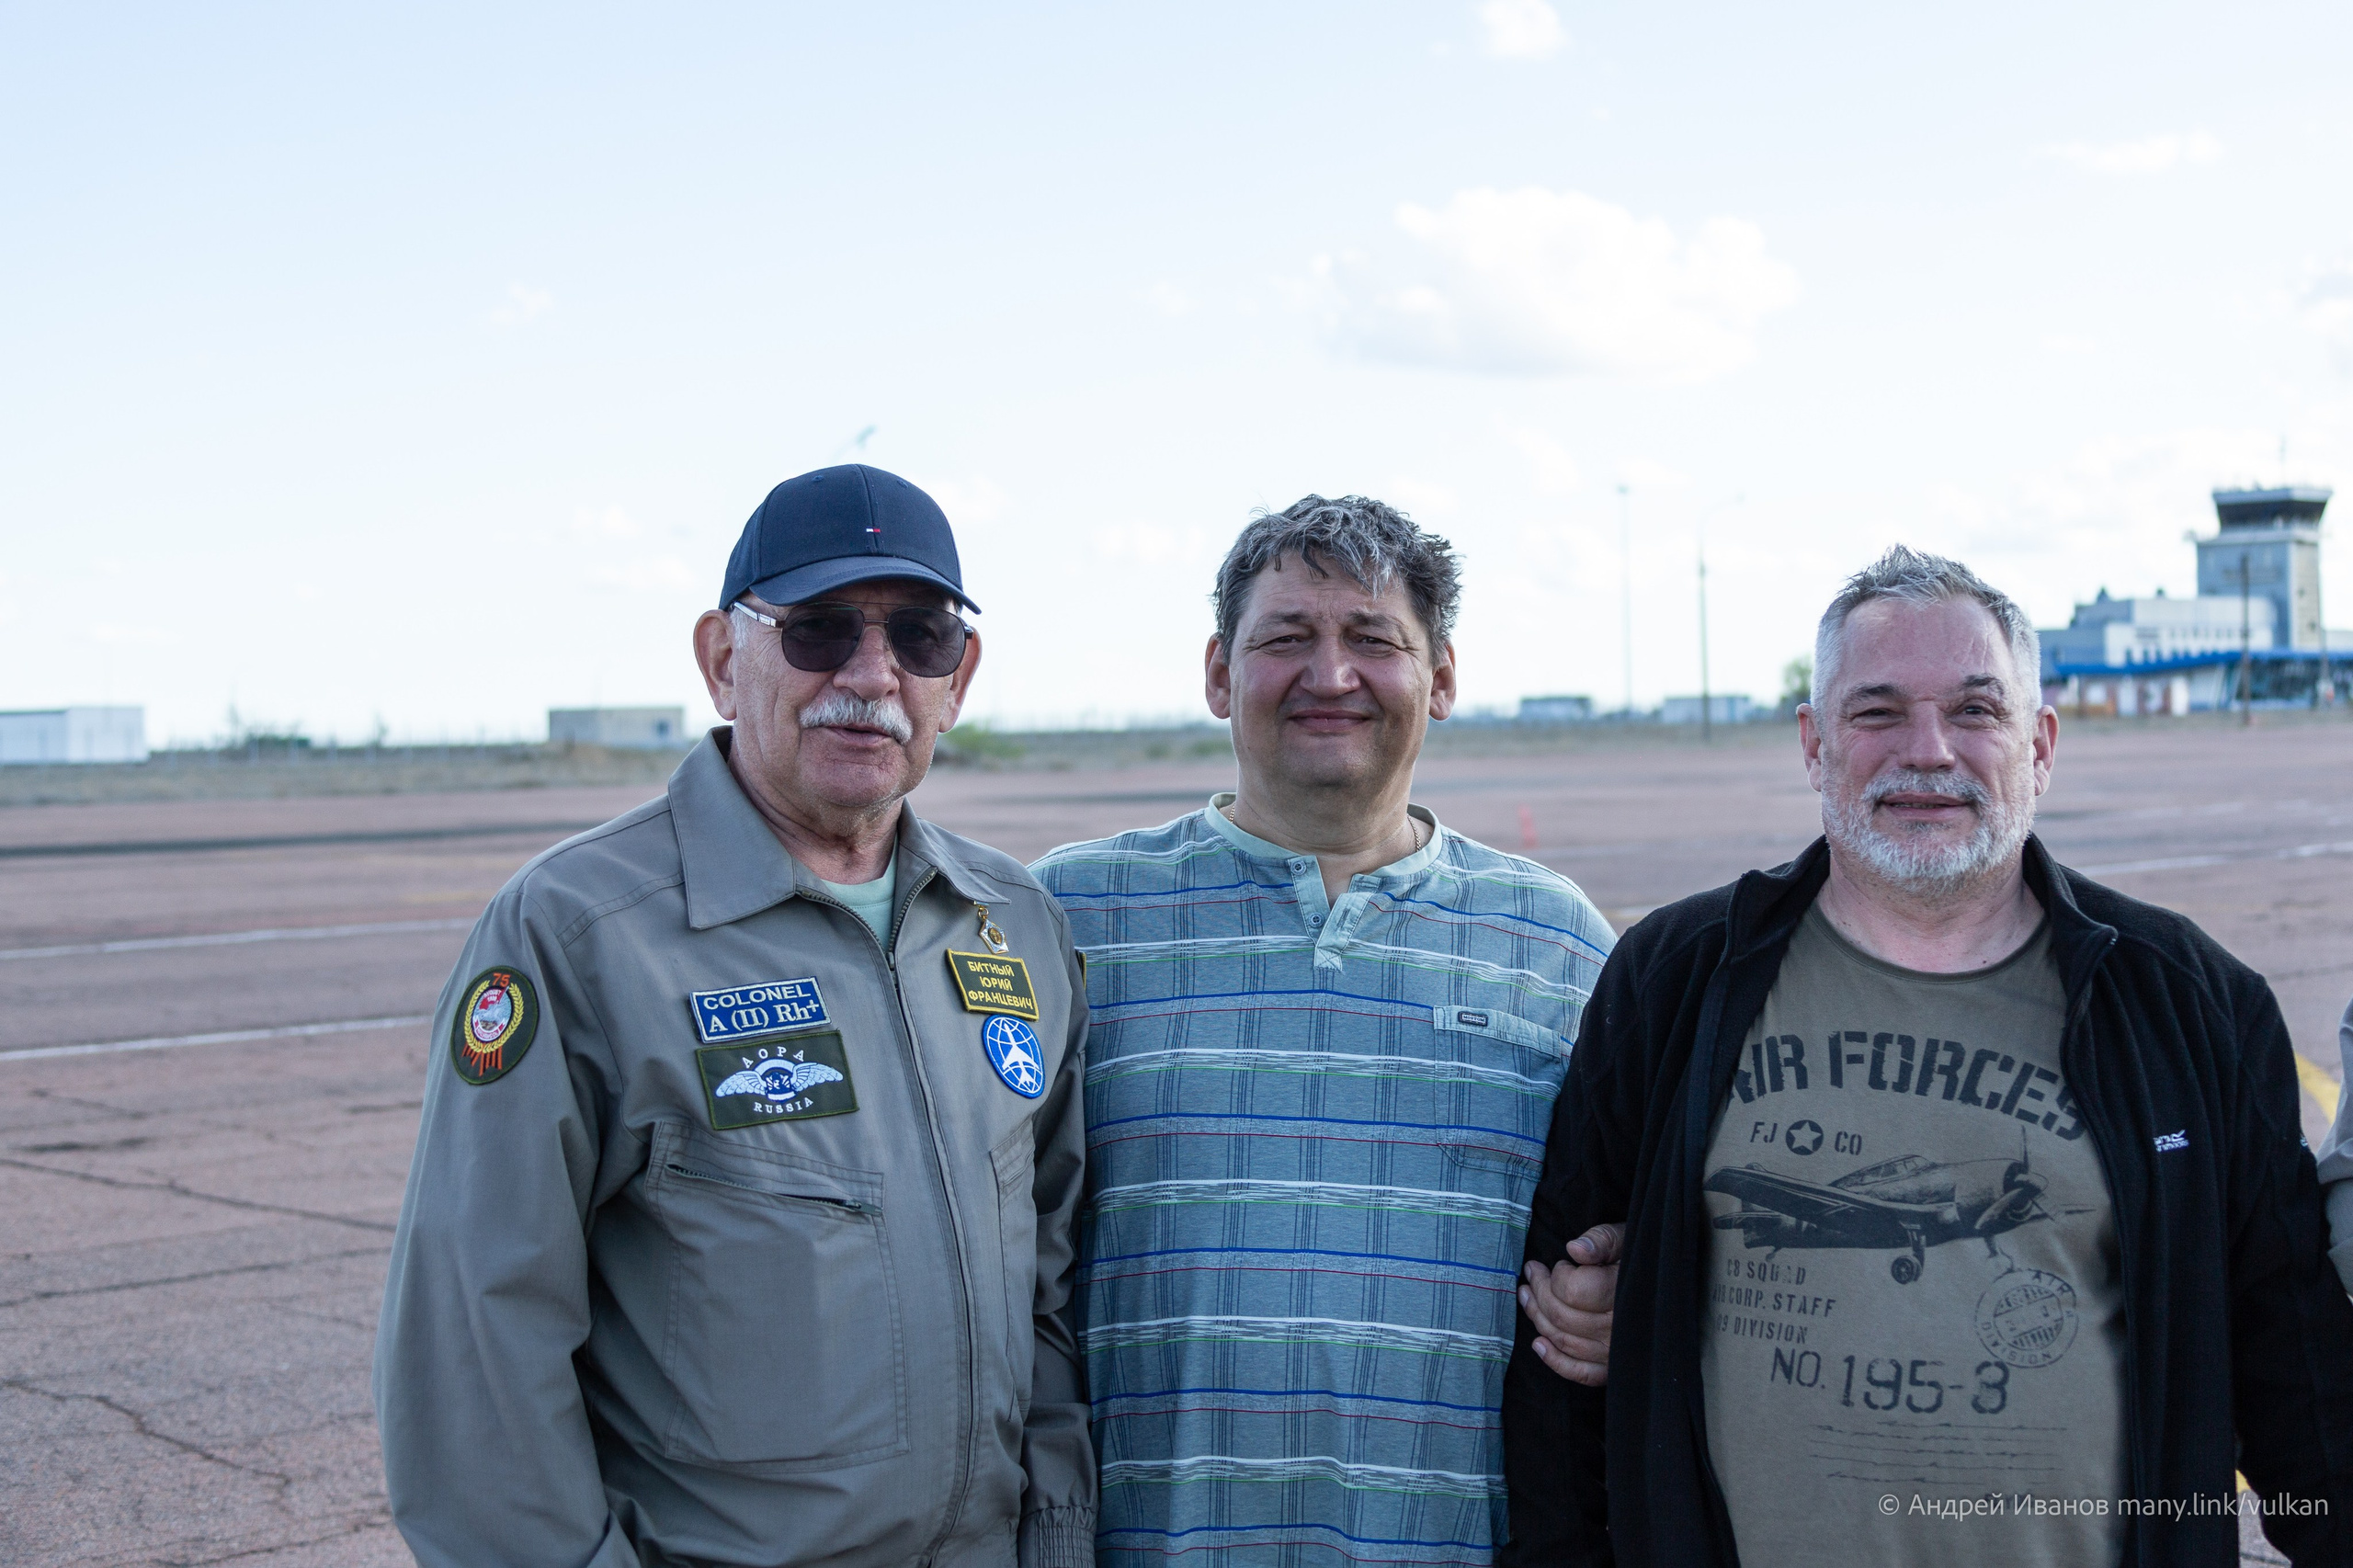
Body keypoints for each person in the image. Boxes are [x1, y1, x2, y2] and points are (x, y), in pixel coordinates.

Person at [1500, 545, 2353, 1567]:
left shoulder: (2192, 1000)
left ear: (2038, 744)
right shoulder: (1673, 977)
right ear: (1814, 743)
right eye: (1877, 712)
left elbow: (2294, 1369)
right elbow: (1557, 1348)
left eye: (1975, 710)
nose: (1929, 750)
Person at [375, 464, 1096, 1568]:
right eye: (815, 631)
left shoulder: (1015, 928)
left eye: (919, 635)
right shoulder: (578, 935)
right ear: (723, 659)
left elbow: (1047, 1297)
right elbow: (476, 1346)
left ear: (959, 677)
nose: (871, 674)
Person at [1032, 495, 1621, 1565]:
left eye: (1373, 638)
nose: (1331, 674)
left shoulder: (1560, 943)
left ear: (1441, 676)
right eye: (1286, 637)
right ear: (1219, 671)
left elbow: (1631, 1221)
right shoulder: (1064, 917)